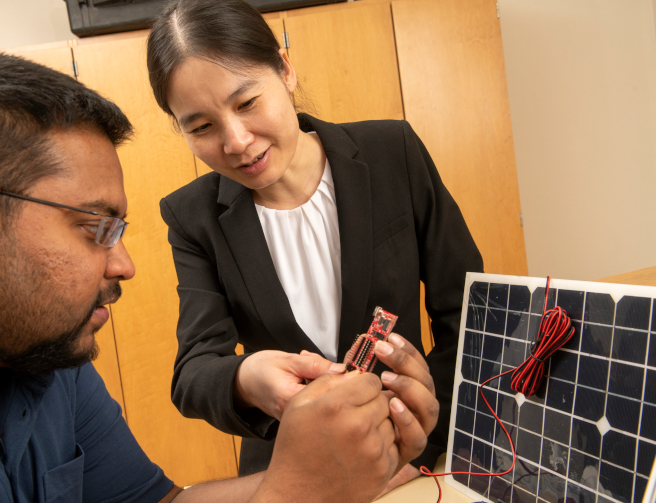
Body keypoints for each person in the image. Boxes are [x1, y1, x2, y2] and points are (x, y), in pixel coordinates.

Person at [0, 51, 440, 503]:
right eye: (93, 228)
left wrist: (331, 475)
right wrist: (299, 492)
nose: (123, 264)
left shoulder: (44, 358)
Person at [147, 0, 483, 489]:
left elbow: (470, 313)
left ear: (284, 69)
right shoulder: (192, 217)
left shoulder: (393, 153)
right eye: (201, 127)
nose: (236, 141)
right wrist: (248, 377)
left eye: (246, 103)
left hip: (418, 458)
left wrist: (425, 447)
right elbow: (194, 373)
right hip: (294, 478)